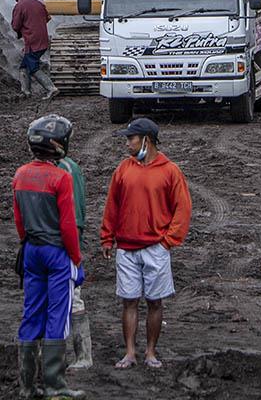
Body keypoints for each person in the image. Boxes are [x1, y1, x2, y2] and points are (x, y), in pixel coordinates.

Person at [100, 118, 192, 370]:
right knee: (129, 301)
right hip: (127, 248)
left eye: (131, 138)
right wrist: (107, 237)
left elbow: (183, 209)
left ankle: (150, 352)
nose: (127, 143)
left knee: (154, 301)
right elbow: (112, 205)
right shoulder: (123, 169)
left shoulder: (170, 171)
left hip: (155, 248)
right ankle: (130, 352)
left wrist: (167, 242)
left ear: (146, 140)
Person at [13, 115, 84, 399]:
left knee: (32, 312)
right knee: (58, 315)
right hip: (56, 252)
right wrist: (76, 258)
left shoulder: (20, 174)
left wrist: (28, 241)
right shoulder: (61, 177)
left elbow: (19, 221)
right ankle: (56, 385)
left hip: (32, 250)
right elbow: (68, 225)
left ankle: (27, 385)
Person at [56, 120, 93, 370]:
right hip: (55, 245)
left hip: (60, 245)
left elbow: (77, 216)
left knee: (72, 296)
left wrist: (74, 251)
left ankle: (83, 355)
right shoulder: (65, 168)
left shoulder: (68, 169)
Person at [11, 0, 58, 99]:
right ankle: (26, 92)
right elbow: (47, 18)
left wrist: (23, 31)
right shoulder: (38, 3)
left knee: (33, 67)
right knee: (24, 66)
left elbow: (15, 26)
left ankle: (51, 88)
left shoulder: (19, 6)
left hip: (33, 42)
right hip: (43, 39)